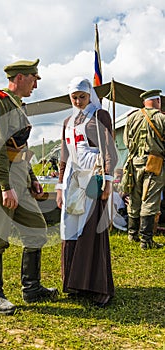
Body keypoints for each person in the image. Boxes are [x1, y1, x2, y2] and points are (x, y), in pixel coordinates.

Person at [0, 58, 58, 316]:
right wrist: (5, 186)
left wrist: (31, 178)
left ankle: (31, 288)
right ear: (19, 78)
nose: (36, 84)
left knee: (37, 231)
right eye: (33, 78)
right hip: (1, 178)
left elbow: (20, 147)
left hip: (18, 175)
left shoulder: (18, 105)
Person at [56, 77, 118, 307]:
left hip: (93, 174)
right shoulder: (67, 120)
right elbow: (64, 155)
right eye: (75, 97)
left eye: (83, 96)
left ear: (90, 95)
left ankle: (98, 287)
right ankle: (74, 283)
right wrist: (60, 187)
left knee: (92, 227)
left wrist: (108, 180)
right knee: (71, 227)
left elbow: (109, 148)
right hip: (73, 177)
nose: (79, 101)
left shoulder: (100, 116)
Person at [123, 89, 165, 249]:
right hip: (154, 163)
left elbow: (127, 141)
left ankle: (132, 235)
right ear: (158, 101)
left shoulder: (132, 117)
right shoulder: (161, 118)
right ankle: (146, 241)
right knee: (150, 200)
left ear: (144, 102)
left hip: (134, 163)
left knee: (134, 197)